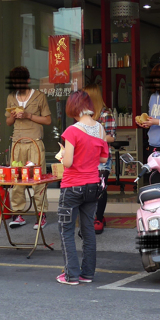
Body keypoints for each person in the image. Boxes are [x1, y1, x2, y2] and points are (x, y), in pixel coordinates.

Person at [56, 91, 109, 285]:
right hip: (92, 186)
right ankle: (87, 274)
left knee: (66, 230)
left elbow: (68, 162)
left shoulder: (72, 131)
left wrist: (62, 154)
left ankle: (71, 275)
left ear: (73, 107)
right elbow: (103, 158)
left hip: (72, 186)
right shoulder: (100, 129)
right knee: (88, 230)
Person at [4, 66, 51, 229]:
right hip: (17, 141)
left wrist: (28, 115)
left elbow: (48, 120)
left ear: (28, 81)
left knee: (38, 179)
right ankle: (18, 214)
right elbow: (8, 122)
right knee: (16, 179)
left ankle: (41, 215)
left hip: (35, 141)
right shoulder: (11, 97)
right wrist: (13, 116)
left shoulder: (39, 96)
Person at [82, 81, 115, 234]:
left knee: (100, 188)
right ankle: (92, 217)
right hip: (86, 157)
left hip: (101, 157)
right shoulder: (84, 114)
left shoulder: (105, 114)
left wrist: (92, 136)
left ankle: (99, 218)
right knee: (88, 188)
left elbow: (111, 137)